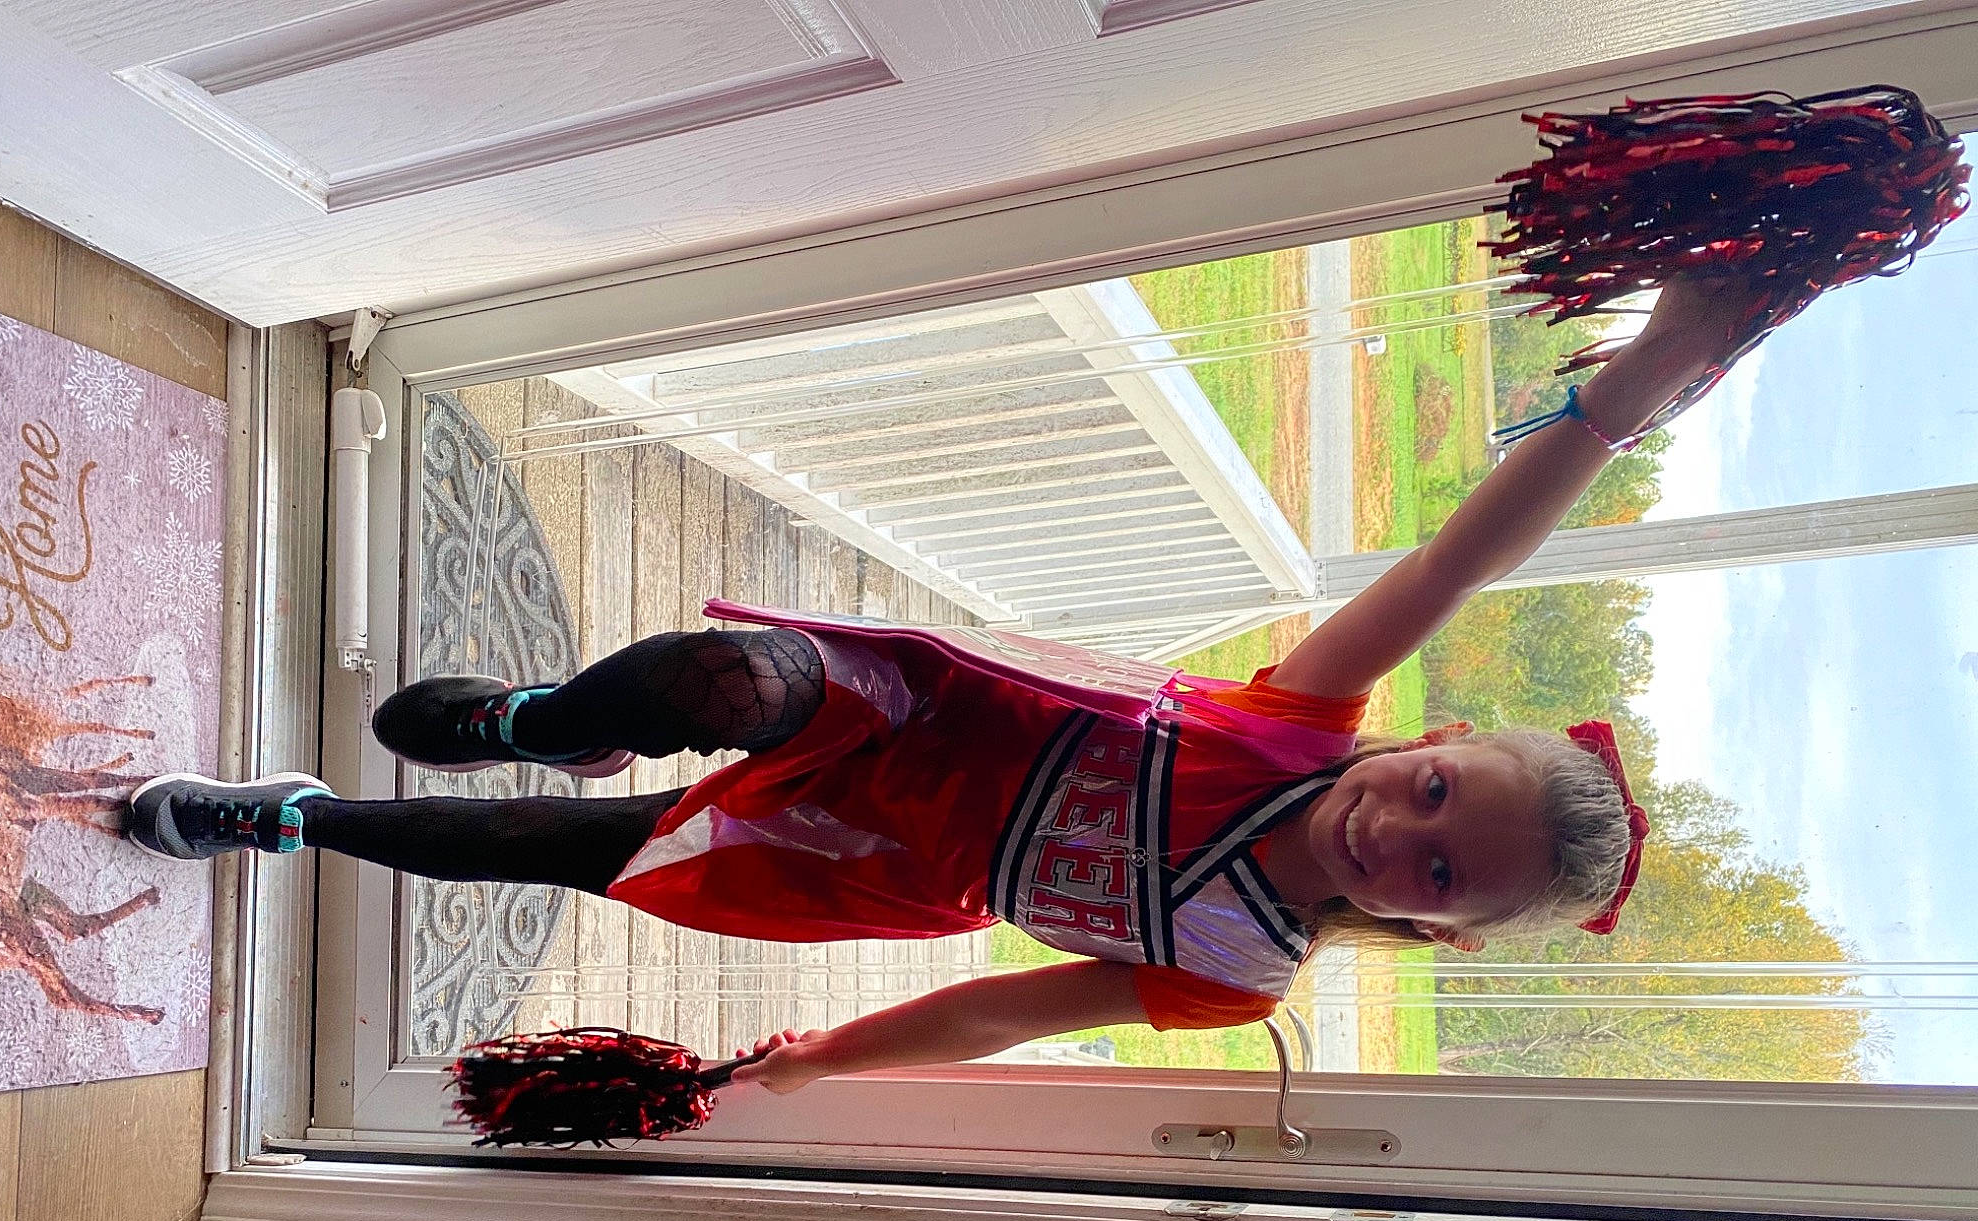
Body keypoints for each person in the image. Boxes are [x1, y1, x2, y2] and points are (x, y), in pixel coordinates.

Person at [127, 276, 1745, 1096]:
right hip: (912, 715)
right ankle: (535, 723)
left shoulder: (1236, 973)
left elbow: (1004, 1008)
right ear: (1436, 737)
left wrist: (824, 1060)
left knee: (572, 863)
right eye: (1445, 790)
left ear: (1444, 931)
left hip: (880, 863)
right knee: (725, 677)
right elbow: (1450, 568)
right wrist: (1637, 390)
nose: (1409, 832)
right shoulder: (1304, 715)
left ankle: (289, 818)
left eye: (1449, 876)